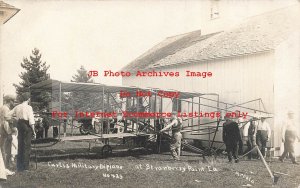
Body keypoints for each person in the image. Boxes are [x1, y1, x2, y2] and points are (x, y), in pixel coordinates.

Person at [9, 98, 36, 172]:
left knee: (20, 146)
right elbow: (31, 120)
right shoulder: (29, 107)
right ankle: (25, 168)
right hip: (26, 126)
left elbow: (9, 114)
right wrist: (34, 131)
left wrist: (15, 119)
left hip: (19, 125)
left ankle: (19, 167)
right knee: (26, 147)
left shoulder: (17, 107)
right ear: (28, 99)